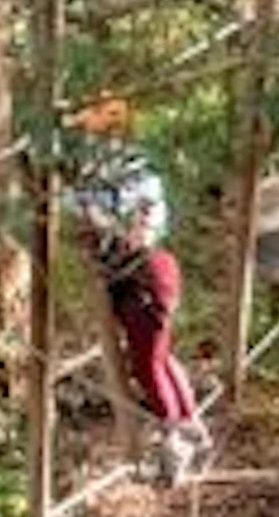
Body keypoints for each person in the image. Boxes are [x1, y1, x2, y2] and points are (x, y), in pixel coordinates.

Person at [65, 119, 209, 484]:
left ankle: (176, 438)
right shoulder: (127, 174)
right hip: (151, 273)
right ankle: (190, 427)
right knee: (160, 358)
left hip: (145, 277)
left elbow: (108, 223)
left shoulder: (122, 179)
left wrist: (92, 221)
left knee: (148, 365)